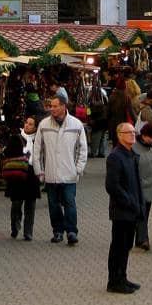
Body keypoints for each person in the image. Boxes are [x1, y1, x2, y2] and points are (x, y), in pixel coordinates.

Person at [32, 95, 88, 245]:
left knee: (70, 202)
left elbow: (82, 148)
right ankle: (57, 231)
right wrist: (39, 170)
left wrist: (78, 169)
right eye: (51, 106)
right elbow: (37, 149)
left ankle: (71, 231)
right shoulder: (44, 125)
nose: (52, 109)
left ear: (64, 106)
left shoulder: (76, 125)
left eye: (55, 106)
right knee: (53, 204)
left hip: (69, 173)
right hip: (50, 174)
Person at [105, 123, 144, 293]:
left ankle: (123, 277)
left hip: (133, 209)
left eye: (134, 132)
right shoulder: (115, 156)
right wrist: (128, 201)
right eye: (128, 132)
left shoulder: (132, 155)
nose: (132, 135)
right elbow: (112, 186)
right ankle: (114, 281)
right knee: (118, 246)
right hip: (122, 211)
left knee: (127, 245)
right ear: (120, 135)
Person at [1, 116, 40, 241]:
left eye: (31, 124)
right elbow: (7, 153)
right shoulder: (16, 138)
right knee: (16, 203)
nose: (27, 125)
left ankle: (28, 232)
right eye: (26, 123)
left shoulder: (38, 140)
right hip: (17, 174)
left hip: (32, 175)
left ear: (35, 128)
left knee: (30, 205)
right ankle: (15, 226)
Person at [132, 122, 152, 250]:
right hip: (139, 186)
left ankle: (140, 239)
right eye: (150, 137)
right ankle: (143, 239)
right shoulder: (133, 147)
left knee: (145, 214)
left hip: (151, 186)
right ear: (143, 135)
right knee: (141, 213)